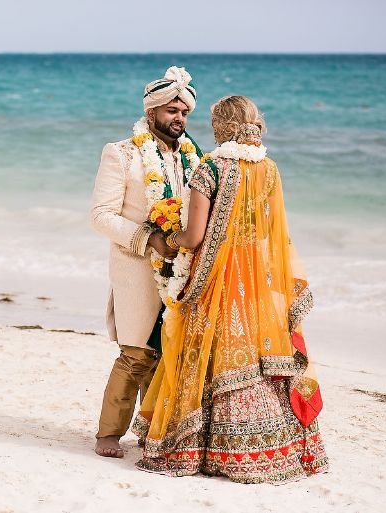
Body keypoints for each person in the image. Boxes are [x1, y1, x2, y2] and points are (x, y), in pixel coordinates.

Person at [132, 95, 329, 483]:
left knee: (206, 354)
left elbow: (192, 237)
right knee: (254, 356)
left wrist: (161, 234)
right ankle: (271, 445)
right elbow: (270, 233)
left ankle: (203, 449)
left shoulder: (211, 167)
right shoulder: (269, 168)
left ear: (219, 126)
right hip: (255, 277)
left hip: (216, 276)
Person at [91, 66, 203, 458]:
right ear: (152, 111)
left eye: (184, 112)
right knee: (136, 352)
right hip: (136, 266)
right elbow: (101, 215)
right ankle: (108, 433)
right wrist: (150, 239)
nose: (180, 119)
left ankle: (152, 430)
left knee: (167, 352)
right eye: (172, 111)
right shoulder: (121, 152)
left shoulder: (193, 156)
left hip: (180, 269)